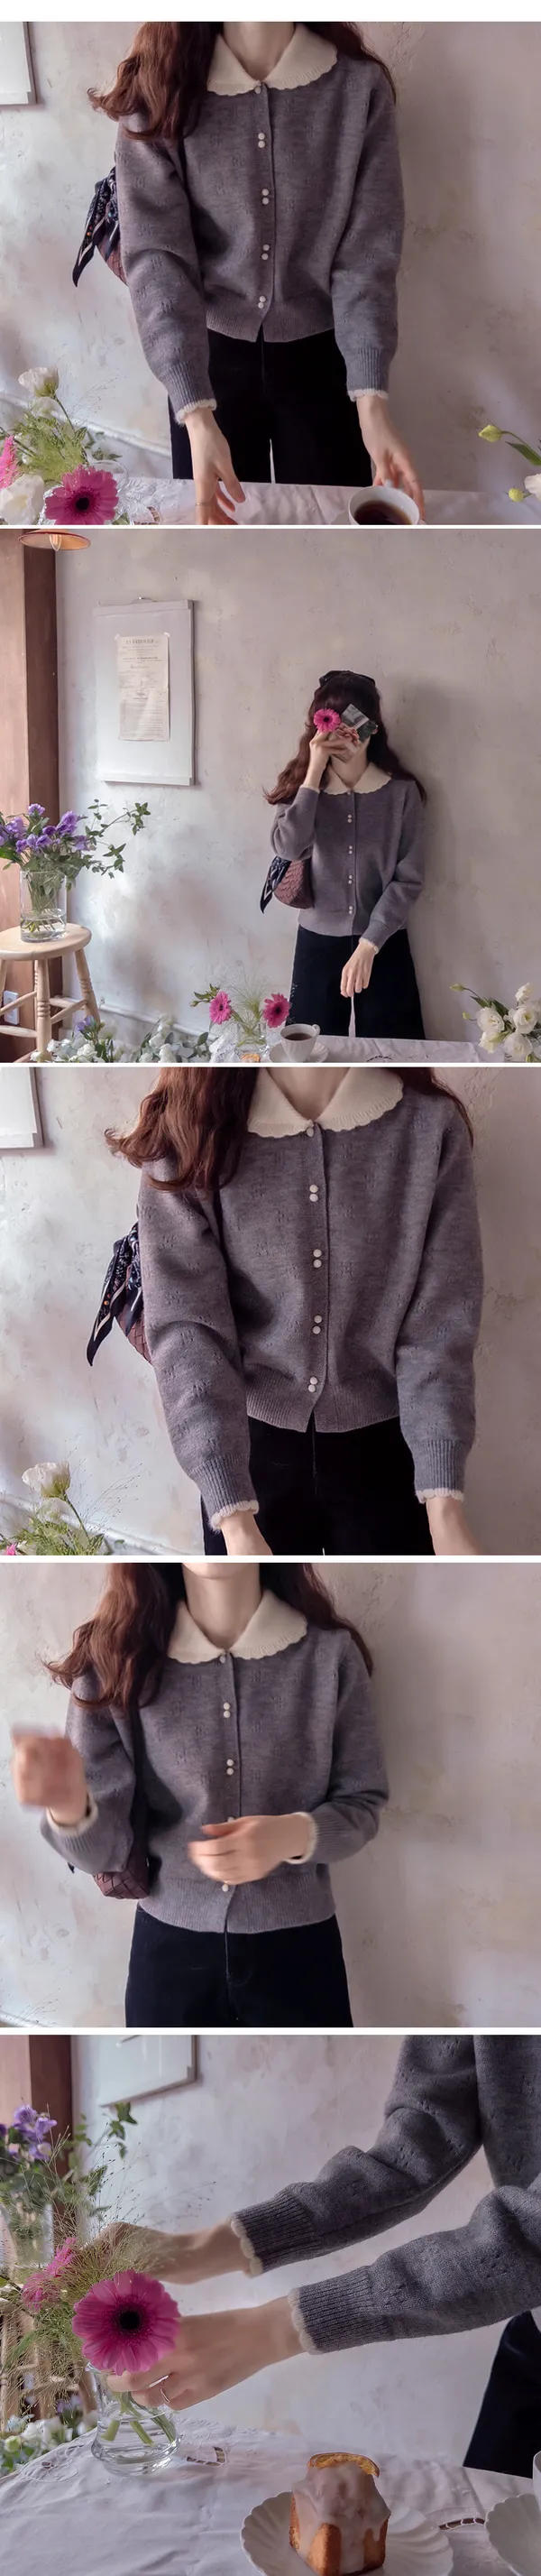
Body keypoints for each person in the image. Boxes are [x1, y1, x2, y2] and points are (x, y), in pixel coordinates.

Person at [96, 2036, 541, 2465]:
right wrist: (207, 2248)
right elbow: (418, 2139)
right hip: (533, 2341)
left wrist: (278, 2327)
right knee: (488, 2512)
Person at [108, 1063, 482, 1557]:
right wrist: (233, 1514)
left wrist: (444, 1502)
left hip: (391, 1451)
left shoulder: (429, 1127)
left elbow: (441, 1322)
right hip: (244, 1452)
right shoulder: (187, 1129)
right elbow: (188, 1329)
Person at [11, 1559, 387, 2031]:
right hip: (166, 1957)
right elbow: (103, 1854)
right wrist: (68, 1809)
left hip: (300, 1953)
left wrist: (289, 1836)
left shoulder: (329, 1657)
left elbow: (363, 1802)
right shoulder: (114, 1662)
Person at [95, 21, 424, 520]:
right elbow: (158, 260)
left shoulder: (357, 87)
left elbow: (367, 254)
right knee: (222, 538)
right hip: (206, 362)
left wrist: (370, 399)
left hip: (326, 361)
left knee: (329, 533)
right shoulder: (158, 89)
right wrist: (195, 412)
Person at [261, 669, 426, 1039]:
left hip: (383, 942)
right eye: (332, 722)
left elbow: (409, 878)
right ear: (318, 727)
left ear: (374, 726)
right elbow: (288, 847)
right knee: (310, 1050)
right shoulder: (303, 789)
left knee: (395, 1052)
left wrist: (370, 942)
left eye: (356, 721)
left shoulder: (401, 793)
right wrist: (313, 773)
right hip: (317, 941)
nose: (345, 734)